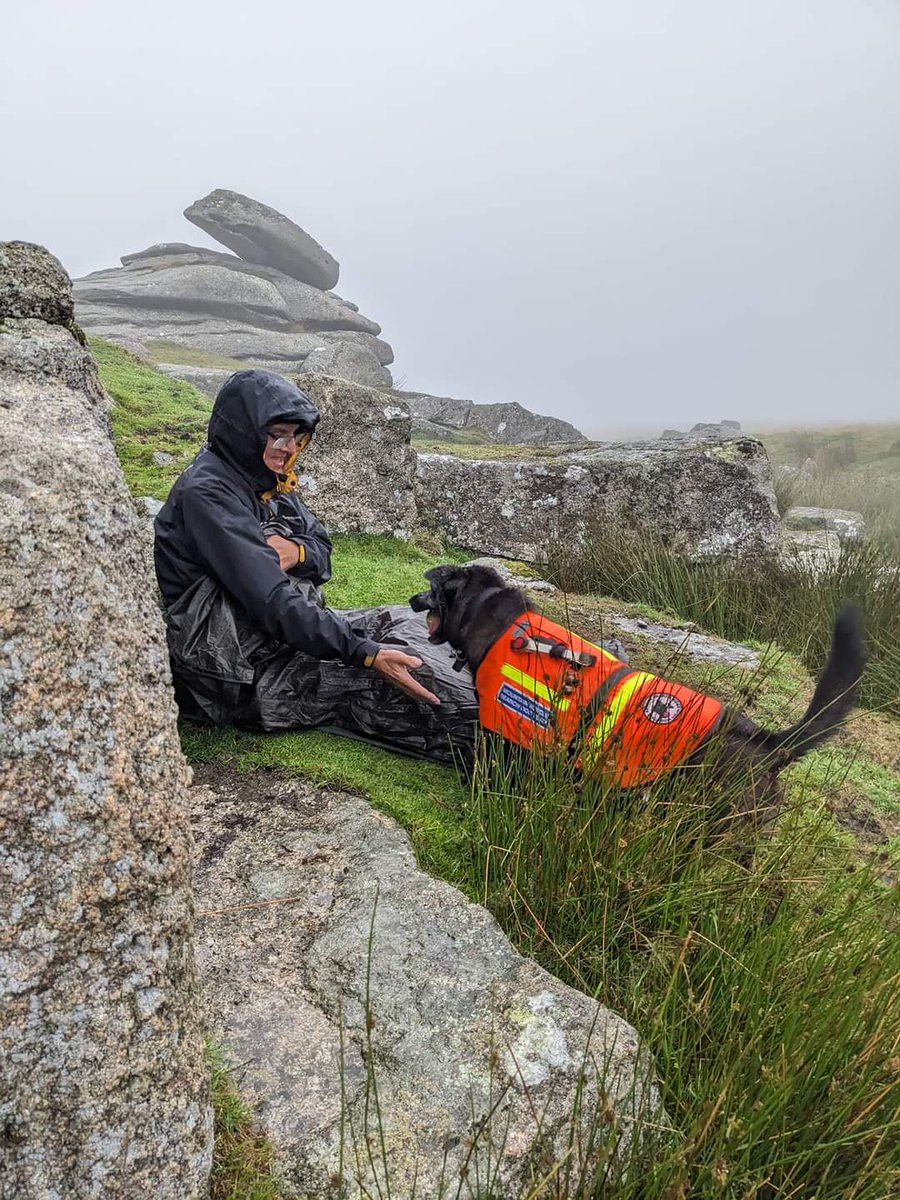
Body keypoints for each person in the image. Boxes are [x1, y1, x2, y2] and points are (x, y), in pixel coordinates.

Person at [154, 369, 477, 762]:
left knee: (417, 626)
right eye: (276, 434)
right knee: (428, 687)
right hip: (242, 668)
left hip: (280, 636)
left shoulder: (265, 481)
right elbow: (272, 600)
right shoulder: (209, 493)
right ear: (242, 431)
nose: (288, 448)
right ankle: (523, 751)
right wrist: (367, 654)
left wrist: (295, 552)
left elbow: (322, 551)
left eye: (295, 436)